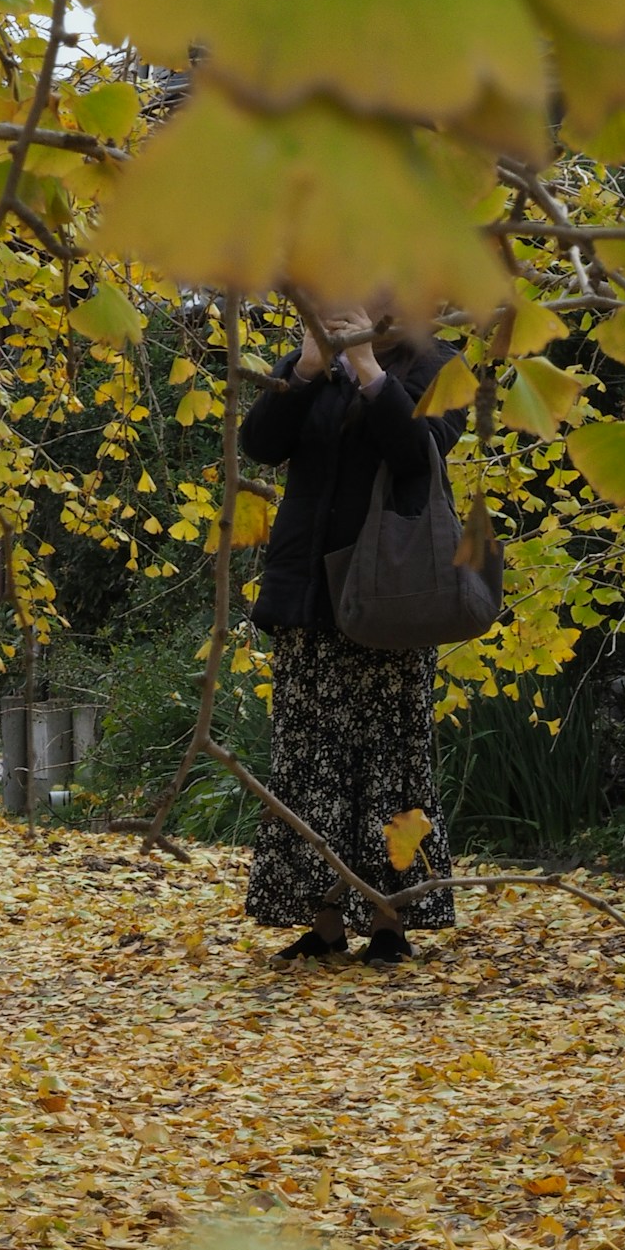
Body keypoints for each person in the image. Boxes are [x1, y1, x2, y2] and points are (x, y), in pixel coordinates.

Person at [239, 303, 466, 965]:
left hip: (389, 596)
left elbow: (422, 453)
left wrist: (369, 372)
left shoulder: (438, 364)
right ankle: (326, 922)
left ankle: (389, 922)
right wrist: (308, 367)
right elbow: (260, 443)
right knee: (308, 763)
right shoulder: (311, 360)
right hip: (307, 593)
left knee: (390, 764)